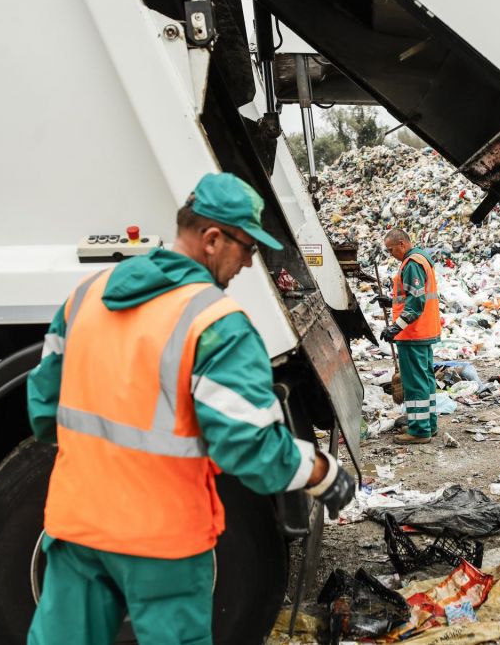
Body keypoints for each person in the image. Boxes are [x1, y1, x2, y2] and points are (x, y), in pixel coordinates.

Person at [26, 172, 355, 645]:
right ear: (213, 239)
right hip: (163, 543)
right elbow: (252, 448)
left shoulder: (86, 297)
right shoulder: (216, 325)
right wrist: (321, 472)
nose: (247, 263)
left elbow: (43, 409)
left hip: (77, 527)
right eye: (246, 247)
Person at [376, 229, 442, 445]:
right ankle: (428, 424)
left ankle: (419, 430)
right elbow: (410, 297)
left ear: (402, 244)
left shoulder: (412, 263)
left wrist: (395, 328)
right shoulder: (421, 259)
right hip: (424, 330)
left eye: (390, 249)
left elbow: (416, 302)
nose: (390, 253)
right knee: (426, 379)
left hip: (413, 333)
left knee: (414, 382)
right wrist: (390, 302)